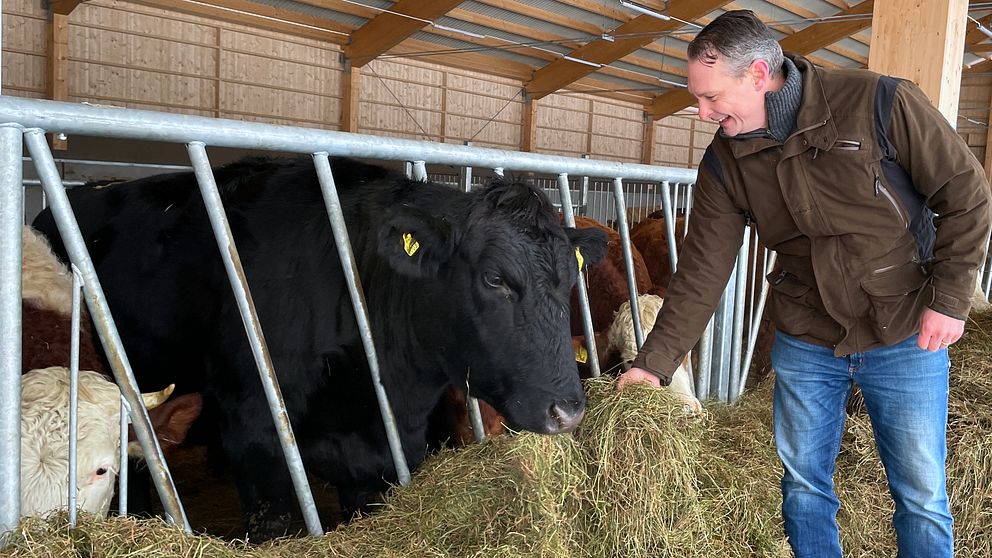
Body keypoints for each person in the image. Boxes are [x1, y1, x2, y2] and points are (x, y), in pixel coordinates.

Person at [617, 9, 991, 558]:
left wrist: (952, 300)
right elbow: (702, 266)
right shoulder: (726, 160)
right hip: (806, 332)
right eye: (697, 98)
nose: (701, 113)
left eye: (711, 97)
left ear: (760, 74)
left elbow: (967, 197)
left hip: (905, 326)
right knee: (804, 486)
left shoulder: (881, 103)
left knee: (921, 492)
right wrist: (653, 363)